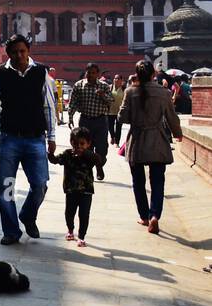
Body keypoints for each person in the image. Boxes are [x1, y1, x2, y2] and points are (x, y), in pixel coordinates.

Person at [0, 35, 57, 245]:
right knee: (7, 187)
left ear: (28, 51)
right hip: (9, 139)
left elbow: (49, 106)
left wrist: (52, 136)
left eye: (22, 51)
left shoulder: (41, 72)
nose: (19, 55)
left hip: (35, 138)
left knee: (40, 185)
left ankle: (28, 215)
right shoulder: (0, 74)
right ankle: (11, 231)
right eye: (14, 52)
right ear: (8, 54)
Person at [118, 59, 183, 235]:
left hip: (137, 140)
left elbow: (121, 117)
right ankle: (155, 215)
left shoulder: (130, 92)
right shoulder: (163, 93)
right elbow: (172, 117)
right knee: (157, 181)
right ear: (153, 74)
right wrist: (178, 133)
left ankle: (144, 216)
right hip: (157, 140)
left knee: (138, 182)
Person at [50, 127, 105, 248]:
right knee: (69, 213)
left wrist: (85, 153)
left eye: (82, 144)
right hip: (71, 190)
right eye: (75, 143)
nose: (78, 146)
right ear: (71, 142)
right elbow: (56, 160)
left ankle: (81, 236)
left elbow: (99, 160)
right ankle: (70, 230)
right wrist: (50, 153)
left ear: (88, 144)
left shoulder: (90, 156)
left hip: (86, 191)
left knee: (84, 214)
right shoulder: (68, 154)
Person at [67, 63, 112, 181]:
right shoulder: (79, 85)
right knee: (86, 148)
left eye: (93, 73)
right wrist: (70, 117)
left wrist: (103, 95)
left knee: (102, 148)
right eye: (88, 72)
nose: (90, 75)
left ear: (97, 74)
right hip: (85, 120)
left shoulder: (104, 86)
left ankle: (99, 165)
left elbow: (110, 101)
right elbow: (73, 103)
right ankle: (88, 172)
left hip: (101, 121)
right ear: (85, 72)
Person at [108, 75, 125, 145]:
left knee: (119, 128)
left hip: (120, 112)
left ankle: (117, 142)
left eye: (118, 78)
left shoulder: (124, 89)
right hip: (110, 111)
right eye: (115, 78)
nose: (116, 80)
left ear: (121, 80)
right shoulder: (110, 87)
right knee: (110, 126)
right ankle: (112, 137)